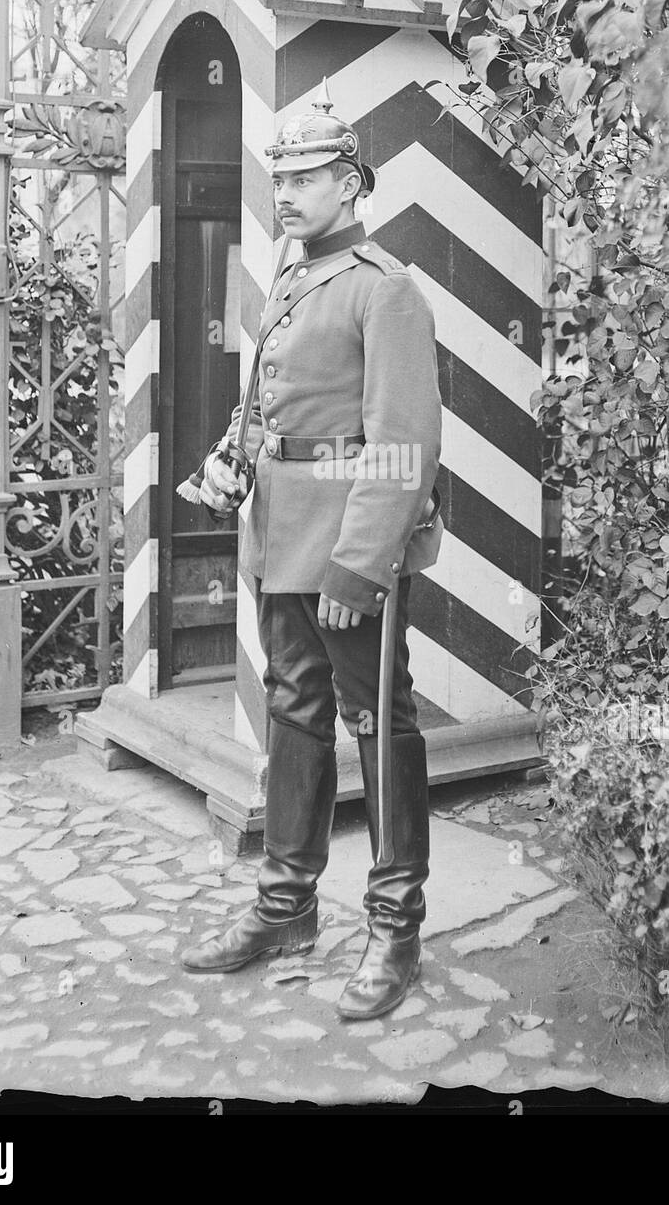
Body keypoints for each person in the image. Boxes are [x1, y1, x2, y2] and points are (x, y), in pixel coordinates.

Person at [179, 79, 444, 1020]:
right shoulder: (291, 282)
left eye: (307, 176)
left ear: (352, 183)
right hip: (278, 535)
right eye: (279, 176)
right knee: (294, 714)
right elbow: (271, 408)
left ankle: (394, 925)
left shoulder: (385, 290)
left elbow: (403, 444)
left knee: (378, 723)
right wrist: (229, 459)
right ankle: (286, 908)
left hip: (345, 551)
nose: (285, 192)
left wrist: (359, 565)